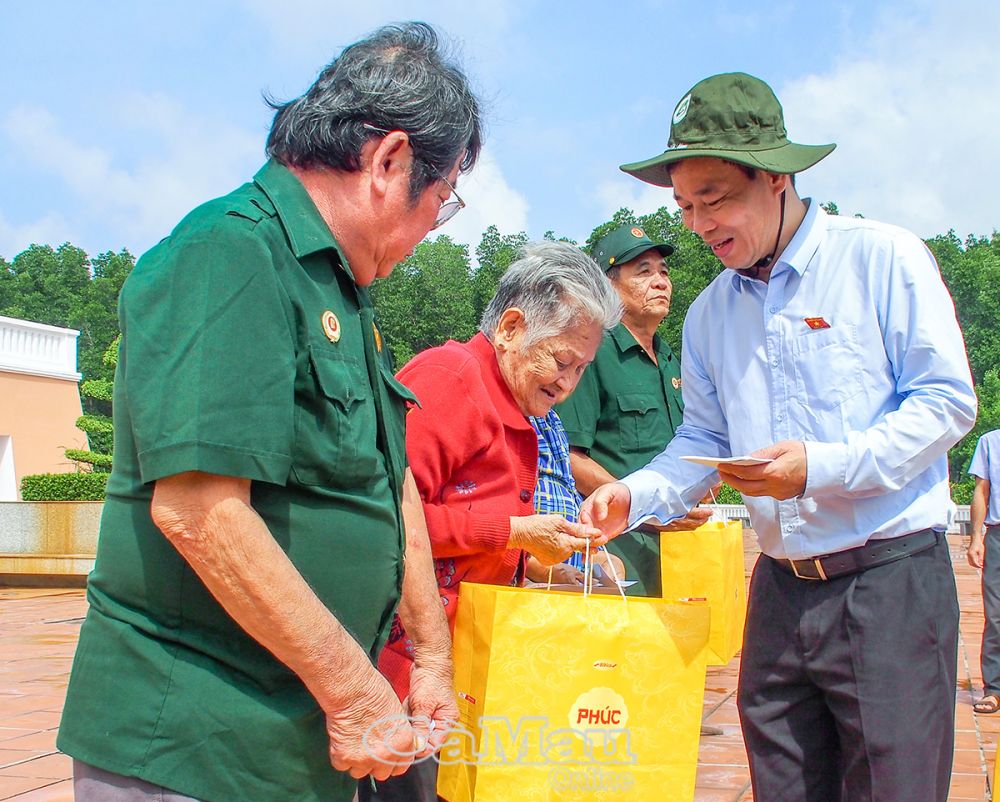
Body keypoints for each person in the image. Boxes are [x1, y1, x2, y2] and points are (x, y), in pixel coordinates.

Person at [57, 23, 482, 802]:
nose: (433, 228)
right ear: (390, 162)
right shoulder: (230, 252)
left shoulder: (341, 292)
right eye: (443, 197)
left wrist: (429, 660)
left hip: (291, 739)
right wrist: (357, 693)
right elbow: (198, 512)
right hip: (198, 743)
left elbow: (392, 488)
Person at [581, 72, 977, 801]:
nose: (698, 224)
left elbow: (946, 402)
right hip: (781, 592)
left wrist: (820, 467)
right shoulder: (709, 316)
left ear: (775, 177)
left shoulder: (880, 260)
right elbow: (699, 438)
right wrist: (629, 498)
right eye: (683, 205)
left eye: (714, 199)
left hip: (888, 584)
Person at [367, 241, 621, 801]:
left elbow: (479, 531)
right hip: (408, 668)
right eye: (561, 362)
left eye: (582, 369)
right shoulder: (451, 380)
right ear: (510, 327)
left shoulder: (520, 404)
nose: (568, 384)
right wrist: (512, 531)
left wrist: (548, 558)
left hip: (468, 658)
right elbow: (383, 521)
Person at [557, 224, 712, 596]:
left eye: (663, 271)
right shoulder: (593, 354)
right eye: (643, 271)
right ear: (608, 286)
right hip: (620, 553)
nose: (660, 281)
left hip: (685, 555)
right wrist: (642, 504)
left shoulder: (674, 360)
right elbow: (569, 456)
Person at [967, 429, 1000, 714]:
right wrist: (976, 537)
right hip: (998, 535)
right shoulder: (990, 442)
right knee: (997, 614)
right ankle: (994, 689)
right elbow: (982, 490)